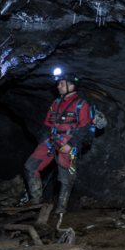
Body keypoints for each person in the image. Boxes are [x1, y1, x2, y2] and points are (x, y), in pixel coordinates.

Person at [24, 67, 94, 214]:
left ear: (71, 86)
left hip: (68, 143)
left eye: (61, 84)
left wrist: (70, 144)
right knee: (31, 166)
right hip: (51, 141)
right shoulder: (55, 103)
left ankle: (61, 209)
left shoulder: (81, 105)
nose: (58, 86)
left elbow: (84, 127)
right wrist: (41, 144)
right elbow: (47, 126)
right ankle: (36, 202)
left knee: (65, 177)